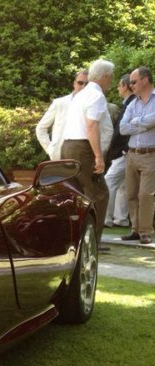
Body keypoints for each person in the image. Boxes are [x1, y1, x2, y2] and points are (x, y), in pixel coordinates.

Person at [61, 59, 114, 246]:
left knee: (76, 195)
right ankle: (91, 243)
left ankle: (73, 240)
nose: (112, 81)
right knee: (99, 194)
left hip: (68, 146)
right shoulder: (95, 95)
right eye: (111, 77)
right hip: (82, 149)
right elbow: (91, 125)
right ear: (105, 76)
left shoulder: (81, 95)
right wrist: (99, 155)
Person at [119, 66, 155, 245]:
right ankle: (135, 229)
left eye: (133, 82)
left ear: (145, 80)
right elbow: (123, 128)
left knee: (146, 194)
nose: (130, 85)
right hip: (132, 154)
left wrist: (137, 122)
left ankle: (145, 232)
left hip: (151, 154)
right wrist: (145, 124)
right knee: (131, 194)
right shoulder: (133, 103)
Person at [104, 73, 134, 228]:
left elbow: (126, 131)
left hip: (124, 151)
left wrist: (122, 150)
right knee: (123, 185)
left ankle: (106, 218)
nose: (117, 88)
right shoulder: (128, 103)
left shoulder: (131, 103)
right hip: (124, 151)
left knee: (109, 181)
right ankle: (121, 219)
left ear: (125, 86)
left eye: (119, 85)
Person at [36, 70, 89, 160]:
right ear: (74, 84)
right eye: (80, 83)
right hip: (59, 156)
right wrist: (50, 149)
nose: (83, 87)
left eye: (87, 84)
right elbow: (41, 128)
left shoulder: (94, 104)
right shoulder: (59, 103)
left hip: (85, 157)